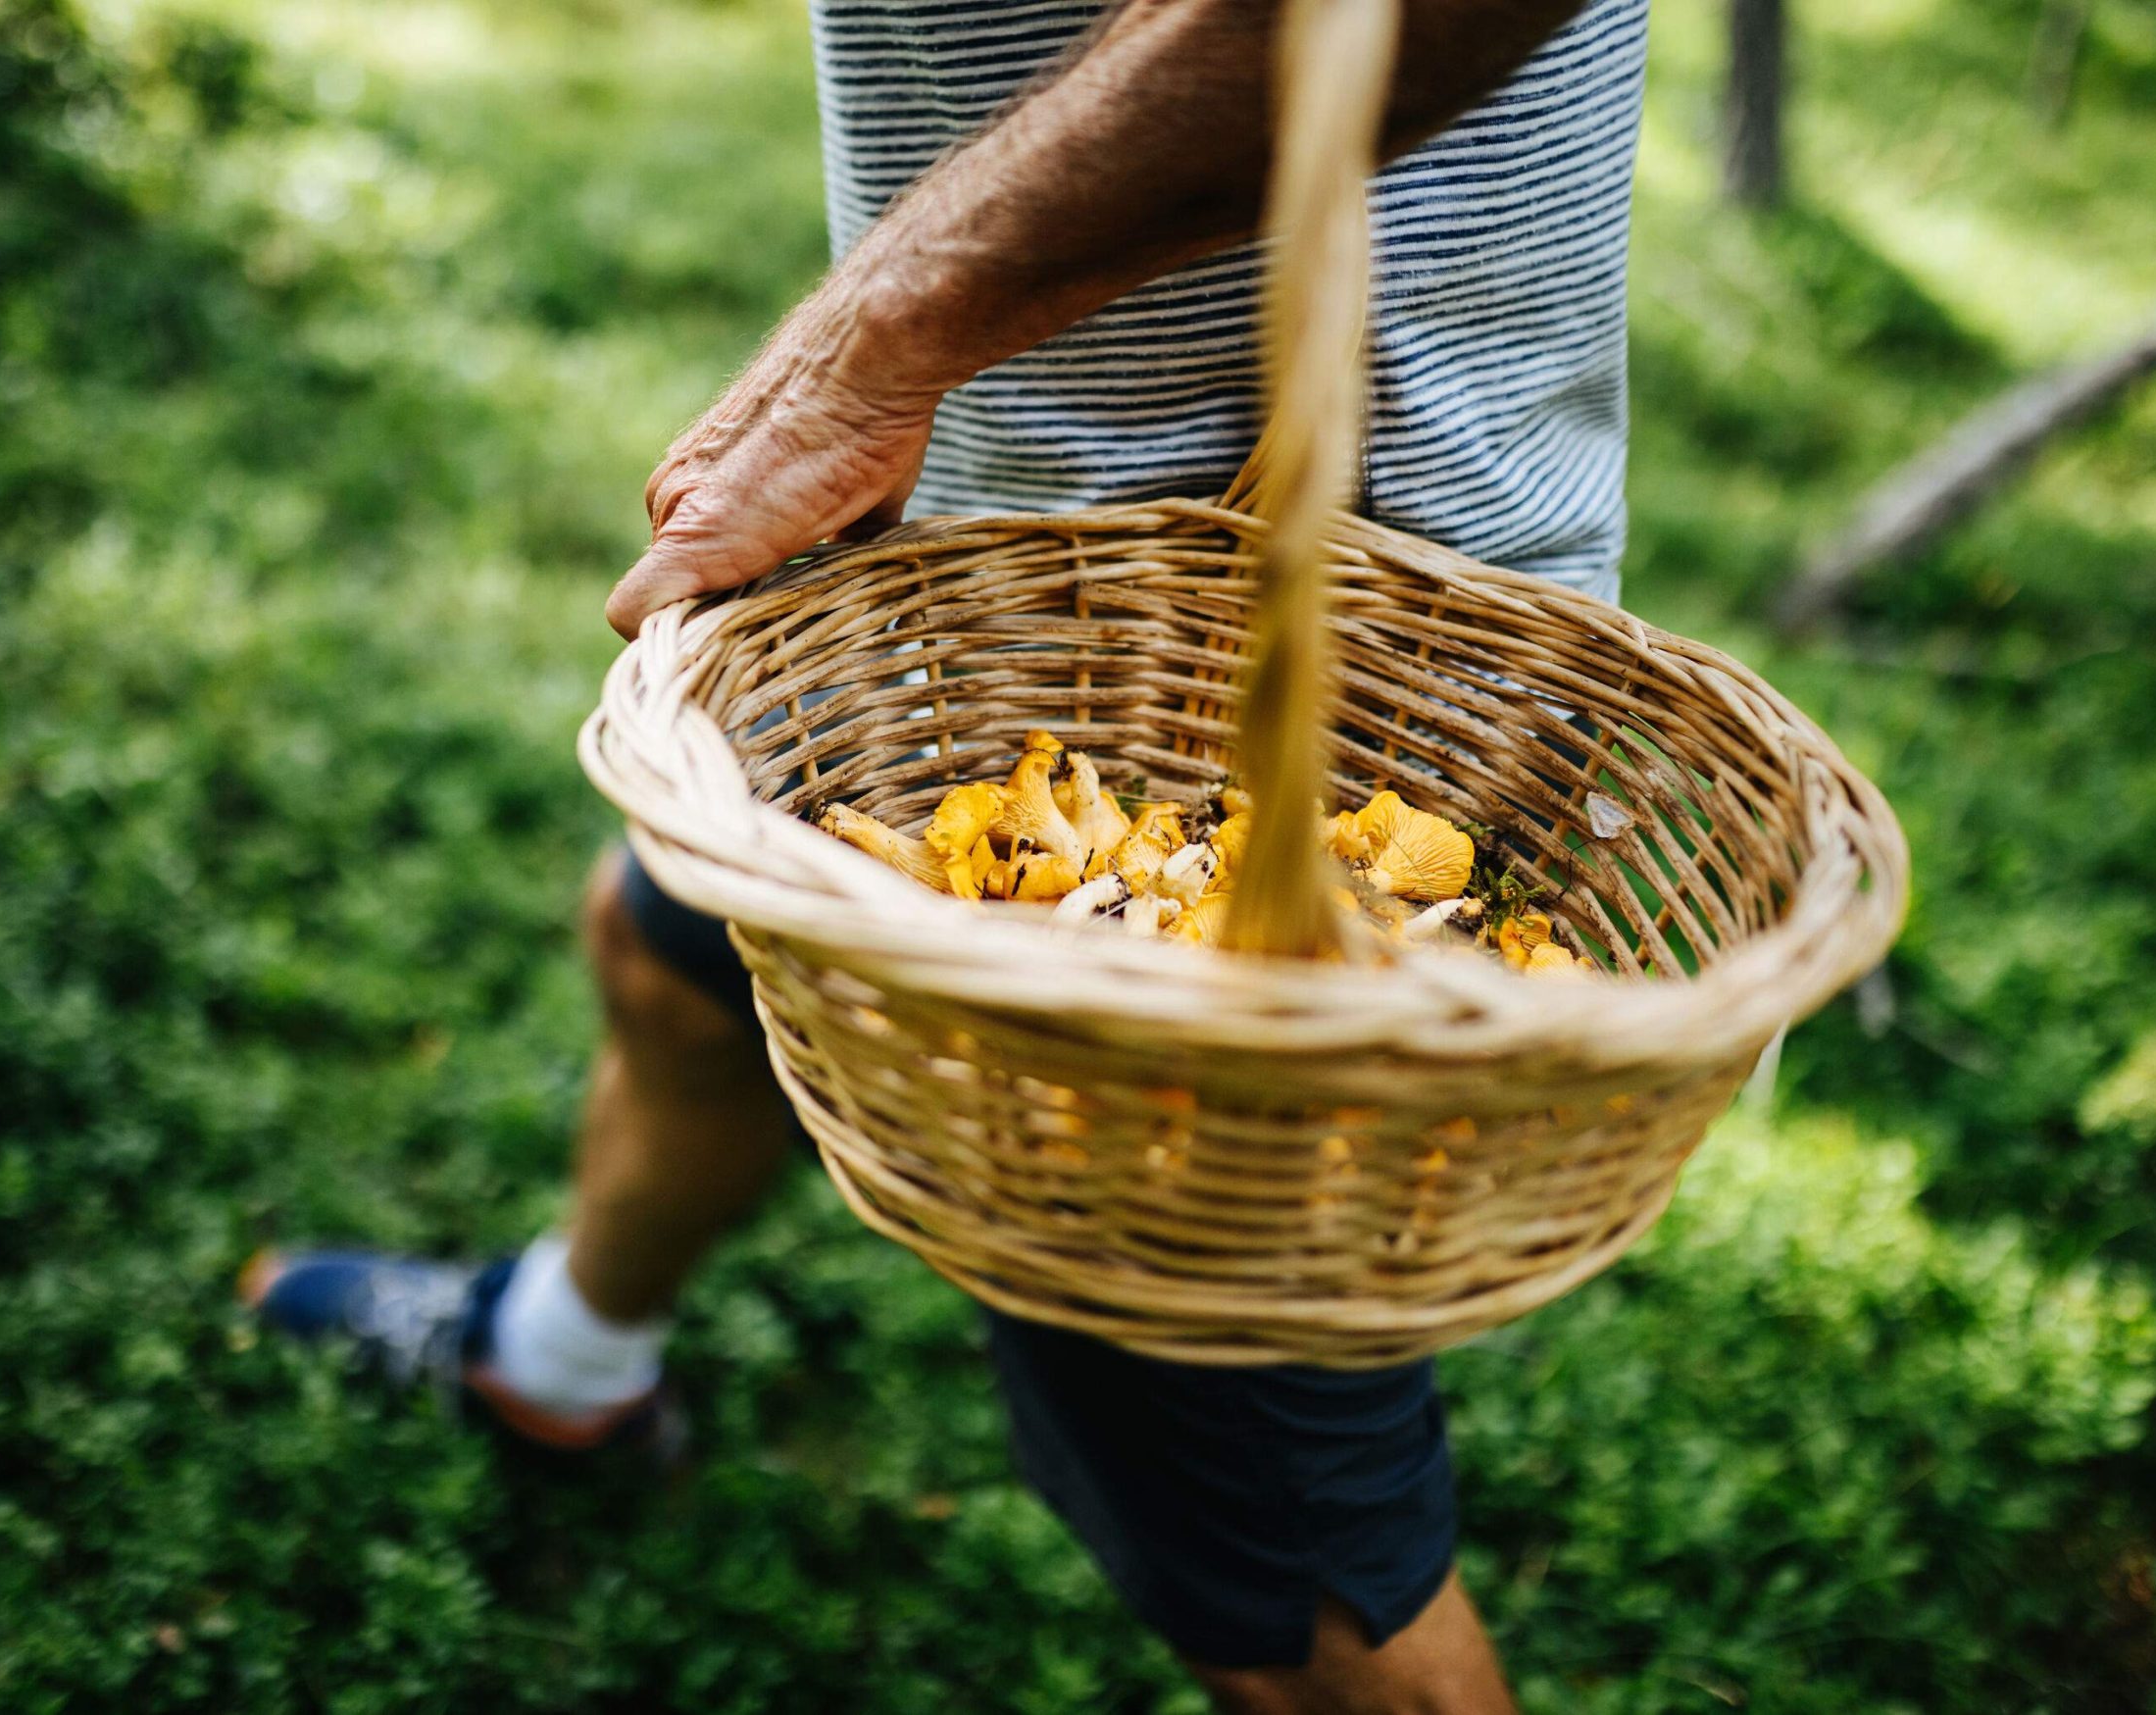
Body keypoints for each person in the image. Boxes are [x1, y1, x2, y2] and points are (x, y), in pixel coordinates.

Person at [244, 0, 1645, 1707]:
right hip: (960, 603)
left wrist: (882, 333)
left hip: (1311, 677)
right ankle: (563, 1362)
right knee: (681, 950)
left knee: (1310, 1594)